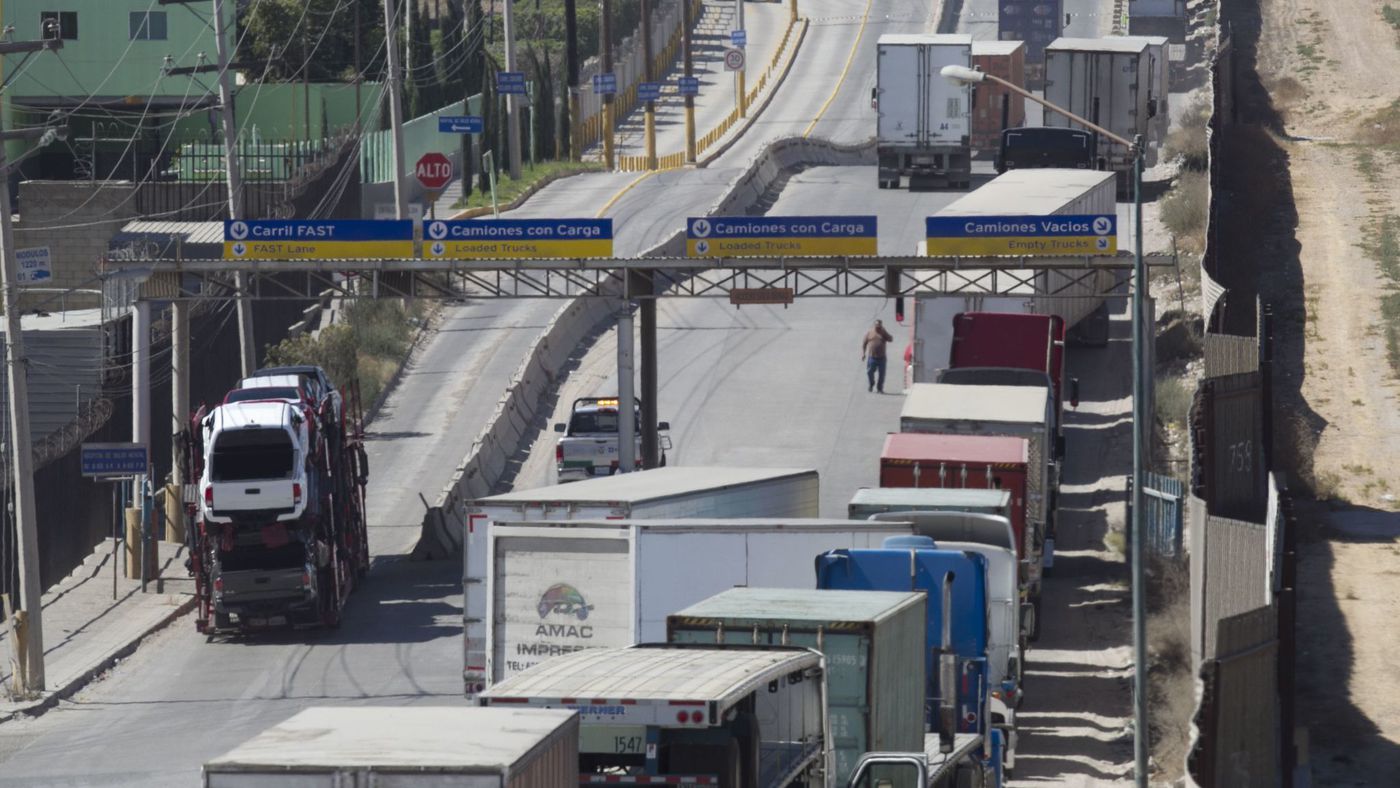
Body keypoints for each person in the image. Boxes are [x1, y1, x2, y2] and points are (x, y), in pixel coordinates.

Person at [861, 319, 894, 393]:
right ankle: (871, 383)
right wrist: (863, 354)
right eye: (876, 326)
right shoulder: (870, 333)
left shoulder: (883, 332)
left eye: (879, 326)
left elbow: (891, 339)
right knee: (869, 372)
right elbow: (864, 344)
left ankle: (879, 388)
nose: (878, 327)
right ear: (874, 325)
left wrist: (886, 335)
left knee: (882, 374)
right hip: (872, 357)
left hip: (882, 358)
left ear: (881, 326)